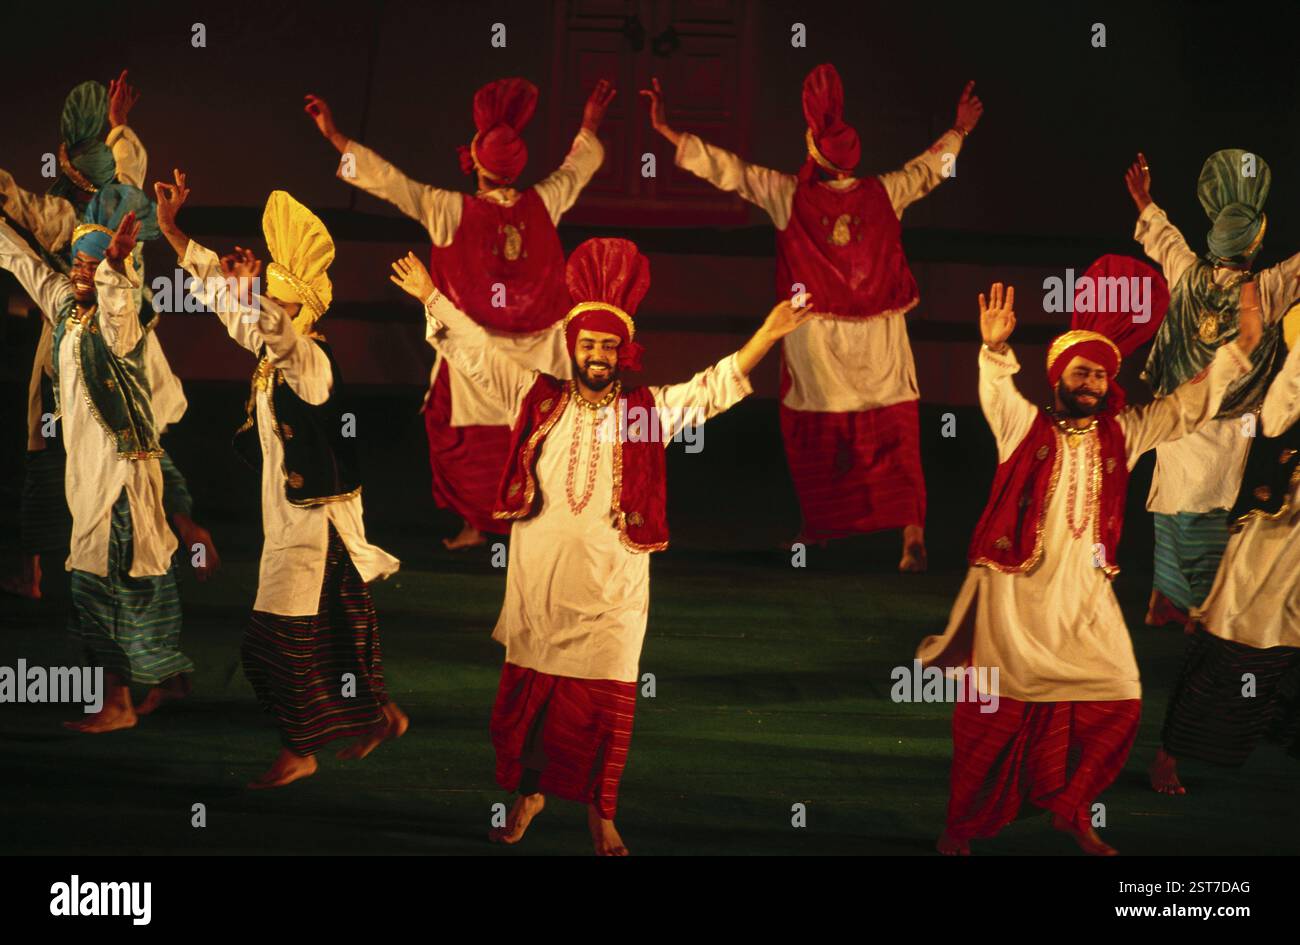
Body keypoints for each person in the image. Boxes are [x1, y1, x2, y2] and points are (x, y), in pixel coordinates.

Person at [390, 236, 813, 854]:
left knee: (606, 709)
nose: (596, 354)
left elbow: (710, 389)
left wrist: (768, 335)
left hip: (612, 593)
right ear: (573, 347)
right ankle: (529, 794)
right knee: (530, 706)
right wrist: (432, 296)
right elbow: (479, 354)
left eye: (607, 346)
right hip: (541, 585)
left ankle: (602, 812)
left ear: (623, 352)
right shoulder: (537, 399)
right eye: (587, 344)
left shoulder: (644, 413)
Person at [917, 278, 1259, 855]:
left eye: (1100, 375)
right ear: (1058, 379)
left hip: (1084, 599)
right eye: (1081, 373)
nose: (1092, 383)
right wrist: (995, 348)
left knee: (1121, 698)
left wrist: (1241, 349)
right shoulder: (1023, 429)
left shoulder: (1122, 435)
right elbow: (996, 391)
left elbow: (1185, 408)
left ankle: (1071, 809)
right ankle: (960, 827)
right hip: (1014, 598)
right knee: (991, 720)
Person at [643, 63, 983, 571]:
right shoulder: (885, 192)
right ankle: (911, 536)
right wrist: (960, 130)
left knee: (816, 435)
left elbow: (731, 171)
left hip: (816, 337)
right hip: (880, 336)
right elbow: (931, 170)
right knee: (894, 431)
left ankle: (816, 533)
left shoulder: (789, 195)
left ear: (813, 154)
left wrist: (669, 132)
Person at [155, 172, 405, 789]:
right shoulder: (271, 352)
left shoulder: (310, 362)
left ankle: (301, 750)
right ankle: (379, 714)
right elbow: (232, 310)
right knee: (341, 629)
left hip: (312, 525)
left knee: (270, 646)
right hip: (298, 521)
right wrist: (173, 233)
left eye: (274, 298)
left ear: (300, 309)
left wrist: (254, 299)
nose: (262, 305)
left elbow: (279, 336)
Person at [306, 77, 614, 550]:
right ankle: (527, 526)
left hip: (477, 348)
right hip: (543, 351)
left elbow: (388, 182)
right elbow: (579, 167)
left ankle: (481, 525)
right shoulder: (546, 201)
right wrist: (591, 122)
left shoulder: (447, 208)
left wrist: (333, 137)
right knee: (536, 438)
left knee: (460, 435)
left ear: (476, 162)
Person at [1, 72, 215, 598]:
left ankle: (46, 569)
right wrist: (120, 123)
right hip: (126, 347)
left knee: (60, 450)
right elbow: (129, 163)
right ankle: (168, 533)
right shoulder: (129, 202)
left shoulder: (69, 214)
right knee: (139, 442)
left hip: (78, 347)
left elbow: (17, 217)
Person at [0, 184, 195, 731]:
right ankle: (166, 679)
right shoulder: (65, 305)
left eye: (96, 264)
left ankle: (116, 704)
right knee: (139, 586)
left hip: (117, 486)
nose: (84, 273)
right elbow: (22, 261)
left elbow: (115, 304)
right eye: (80, 262)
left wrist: (114, 268)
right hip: (88, 481)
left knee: (98, 590)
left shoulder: (123, 323)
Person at [1126, 150, 1300, 627]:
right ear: (1254, 244)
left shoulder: (1187, 273)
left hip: (1176, 417)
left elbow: (1164, 239)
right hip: (1229, 424)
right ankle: (1200, 607)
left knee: (1170, 505)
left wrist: (1143, 199)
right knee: (1209, 513)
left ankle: (1161, 601)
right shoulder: (1263, 289)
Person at [1151, 301, 1300, 794]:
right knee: (1231, 640)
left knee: (1279, 655)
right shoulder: (1291, 371)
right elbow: (1276, 420)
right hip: (1276, 531)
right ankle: (1170, 754)